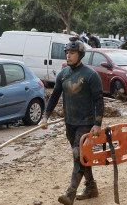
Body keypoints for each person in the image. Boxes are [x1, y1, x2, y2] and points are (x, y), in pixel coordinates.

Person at [40, 37, 104, 205]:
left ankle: (70, 194)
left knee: (78, 156)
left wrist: (97, 123)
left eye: (72, 53)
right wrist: (45, 116)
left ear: (80, 54)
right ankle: (91, 187)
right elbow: (54, 97)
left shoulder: (91, 75)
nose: (68, 56)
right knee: (83, 157)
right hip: (70, 123)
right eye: (67, 53)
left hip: (86, 123)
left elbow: (99, 100)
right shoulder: (63, 74)